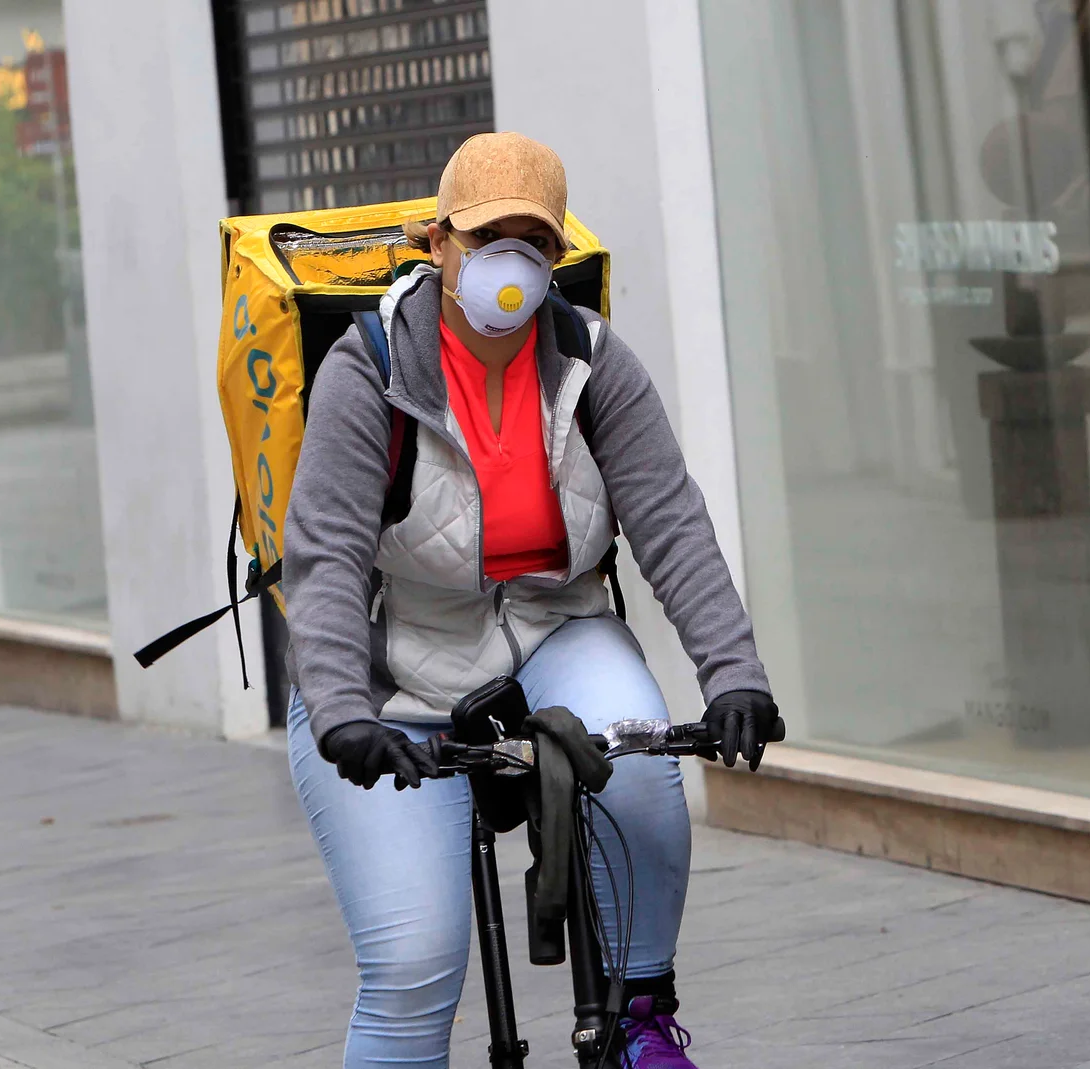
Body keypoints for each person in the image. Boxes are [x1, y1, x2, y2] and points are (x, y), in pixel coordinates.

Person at [282, 131, 781, 1069]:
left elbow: (672, 523)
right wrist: (342, 712)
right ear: (438, 244)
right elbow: (327, 556)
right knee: (414, 961)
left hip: (556, 624)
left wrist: (735, 676)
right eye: (485, 237)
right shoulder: (368, 371)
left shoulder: (594, 363)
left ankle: (638, 1012)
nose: (508, 263)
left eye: (532, 241)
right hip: (395, 665)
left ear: (556, 256)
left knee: (635, 752)